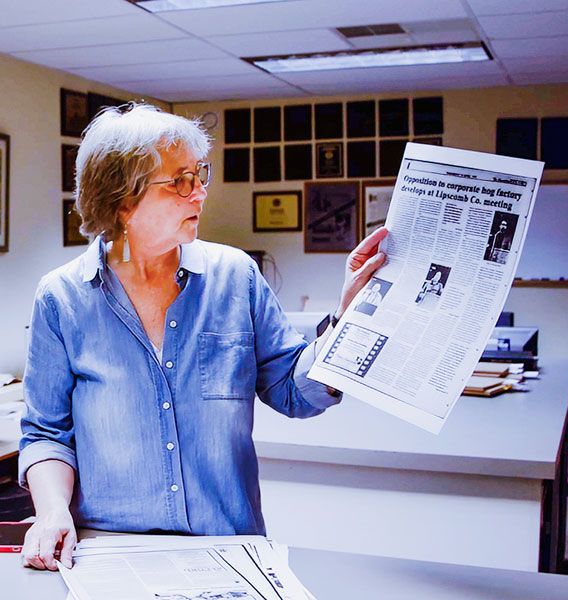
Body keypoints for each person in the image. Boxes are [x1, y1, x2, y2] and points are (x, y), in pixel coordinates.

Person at [18, 104, 388, 571]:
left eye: (200, 175)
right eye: (180, 181)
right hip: (110, 553)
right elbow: (47, 433)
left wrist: (348, 319)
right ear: (123, 199)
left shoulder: (236, 277)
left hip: (227, 548)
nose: (200, 194)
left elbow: (296, 392)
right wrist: (52, 513)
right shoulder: (62, 297)